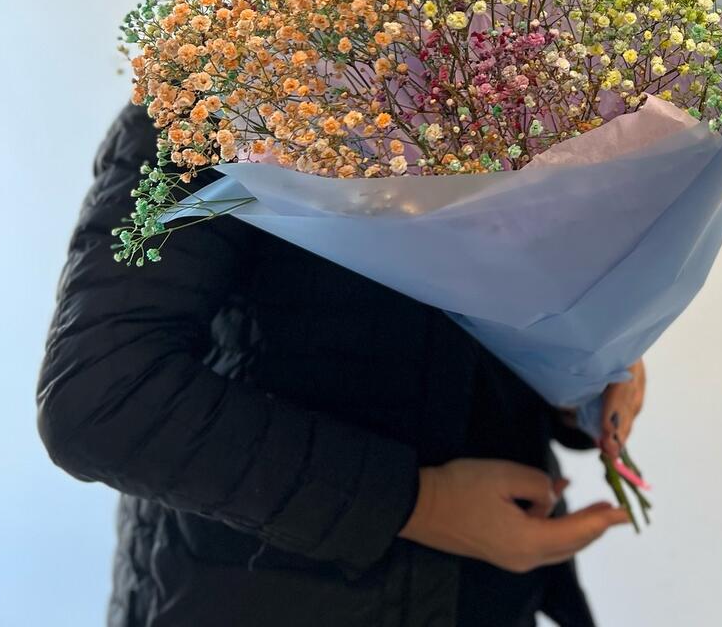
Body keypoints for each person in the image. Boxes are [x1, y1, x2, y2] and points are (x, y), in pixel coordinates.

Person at [37, 101, 646, 626]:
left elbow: (468, 320)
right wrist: (421, 504)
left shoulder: (516, 70)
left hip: (484, 591)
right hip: (267, 595)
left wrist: (579, 371)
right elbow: (103, 402)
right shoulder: (219, 86)